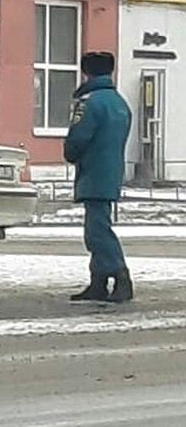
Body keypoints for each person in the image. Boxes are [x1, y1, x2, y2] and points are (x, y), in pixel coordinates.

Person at [64, 51, 133, 303]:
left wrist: (70, 153)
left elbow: (78, 138)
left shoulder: (89, 102)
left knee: (97, 231)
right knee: (97, 225)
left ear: (87, 72)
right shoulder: (119, 102)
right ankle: (99, 281)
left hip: (93, 171)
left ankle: (119, 275)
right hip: (112, 170)